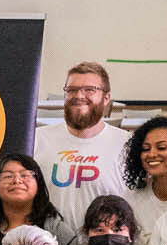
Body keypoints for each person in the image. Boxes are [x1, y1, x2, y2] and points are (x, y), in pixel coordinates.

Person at [33, 62, 131, 228]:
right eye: (72, 90)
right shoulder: (37, 140)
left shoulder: (126, 144)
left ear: (106, 98)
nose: (79, 95)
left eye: (89, 90)